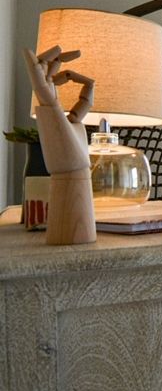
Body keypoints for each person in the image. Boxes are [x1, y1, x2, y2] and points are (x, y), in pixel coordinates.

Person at [24, 45, 97, 244]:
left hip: (76, 195)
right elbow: (57, 110)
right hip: (69, 203)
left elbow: (73, 117)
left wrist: (89, 85)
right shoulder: (67, 134)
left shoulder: (74, 129)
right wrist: (45, 92)